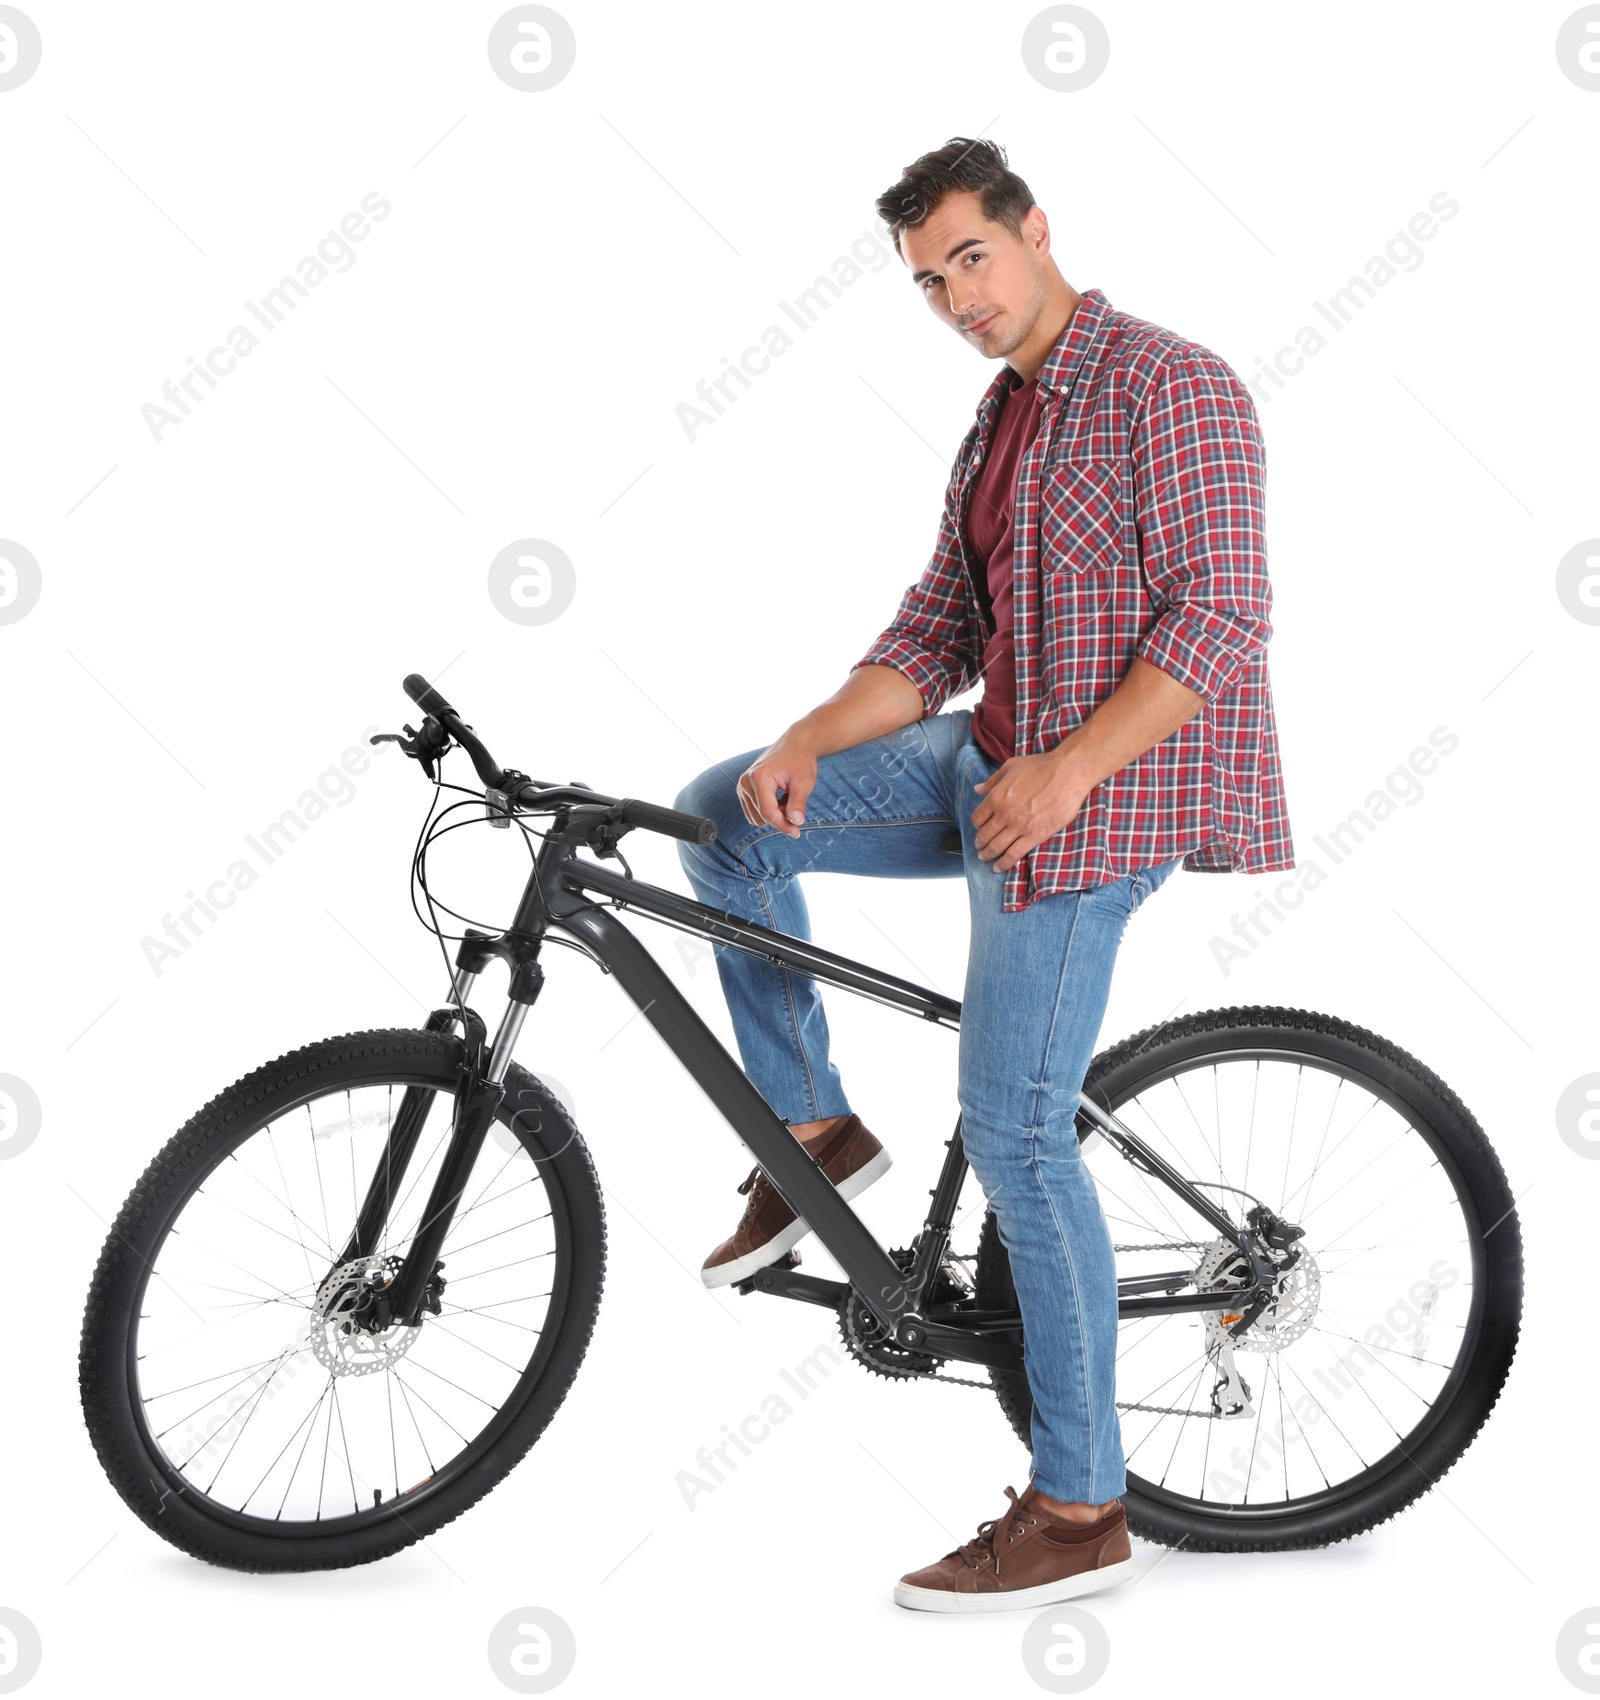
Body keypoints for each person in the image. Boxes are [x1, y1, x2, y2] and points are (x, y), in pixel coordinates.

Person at [674, 136, 1294, 1612]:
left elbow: (1223, 618)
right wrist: (813, 736)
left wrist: (1069, 767)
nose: (956, 295)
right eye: (927, 279)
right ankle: (812, 1134)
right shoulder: (999, 420)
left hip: (1110, 794)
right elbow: (941, 623)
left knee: (1014, 1132)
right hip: (991, 761)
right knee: (728, 815)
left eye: (971, 256)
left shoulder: (1172, 383)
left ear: (1034, 231)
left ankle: (1080, 1511)